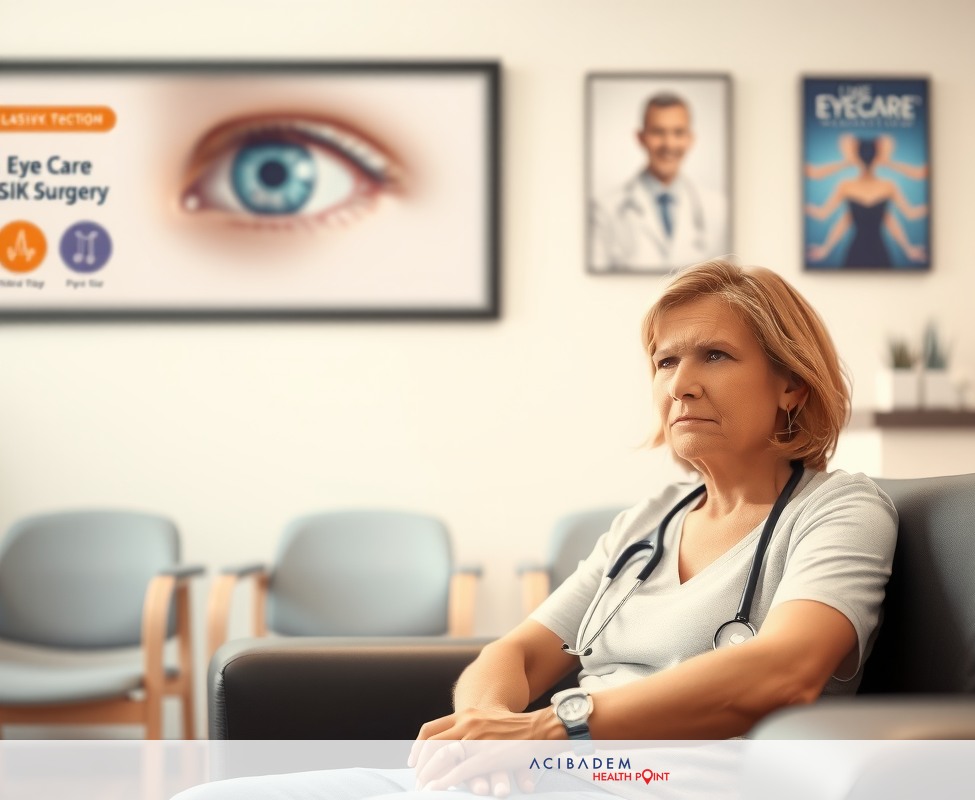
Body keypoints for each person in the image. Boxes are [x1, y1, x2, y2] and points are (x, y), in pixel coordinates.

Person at [175, 259, 897, 799]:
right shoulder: (649, 523)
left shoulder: (839, 509)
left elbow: (786, 669)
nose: (680, 383)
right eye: (665, 360)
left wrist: (552, 728)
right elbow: (515, 655)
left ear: (791, 384)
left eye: (715, 355)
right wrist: (485, 734)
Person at [590, 93, 729, 272]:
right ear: (641, 137)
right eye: (658, 132)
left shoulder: (717, 208)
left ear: (690, 139)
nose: (668, 144)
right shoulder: (605, 208)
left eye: (678, 132)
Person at [804, 134, 928, 268]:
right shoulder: (875, 186)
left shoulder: (859, 185)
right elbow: (842, 219)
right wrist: (825, 249)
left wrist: (908, 249)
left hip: (879, 251)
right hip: (857, 251)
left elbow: (892, 219)